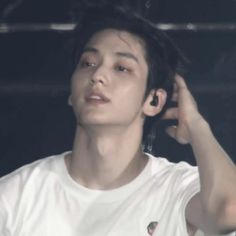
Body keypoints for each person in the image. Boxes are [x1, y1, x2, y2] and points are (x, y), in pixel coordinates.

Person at [0, 4, 236, 236]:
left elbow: (229, 211)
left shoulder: (176, 188)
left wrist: (197, 126)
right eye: (88, 63)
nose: (98, 75)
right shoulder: (16, 197)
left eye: (121, 68)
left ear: (153, 101)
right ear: (72, 93)